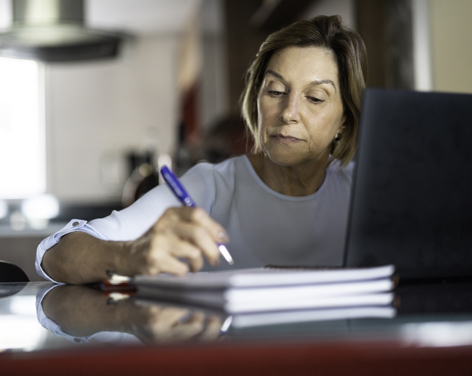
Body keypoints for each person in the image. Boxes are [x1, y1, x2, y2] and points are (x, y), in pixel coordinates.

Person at [36, 15, 367, 284]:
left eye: (315, 98)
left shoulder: (365, 193)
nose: (288, 112)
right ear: (257, 101)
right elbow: (53, 253)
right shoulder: (209, 187)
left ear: (344, 121)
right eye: (276, 91)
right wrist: (128, 255)